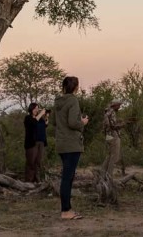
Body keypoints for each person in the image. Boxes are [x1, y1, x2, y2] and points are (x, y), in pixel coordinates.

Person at [54, 76, 89, 221]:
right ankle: (66, 211)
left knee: (67, 177)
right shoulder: (73, 100)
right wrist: (83, 122)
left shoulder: (58, 102)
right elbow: (72, 123)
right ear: (76, 87)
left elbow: (60, 122)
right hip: (72, 144)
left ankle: (67, 209)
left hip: (61, 143)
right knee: (68, 178)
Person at [102, 100, 124, 175]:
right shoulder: (112, 112)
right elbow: (113, 126)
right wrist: (122, 124)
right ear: (114, 105)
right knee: (114, 156)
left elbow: (108, 125)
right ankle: (109, 175)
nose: (119, 107)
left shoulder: (107, 112)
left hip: (108, 135)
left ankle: (103, 173)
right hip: (113, 135)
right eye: (118, 105)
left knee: (110, 154)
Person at [23, 102, 44, 182]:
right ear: (31, 109)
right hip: (31, 143)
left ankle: (37, 179)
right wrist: (40, 114)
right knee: (31, 162)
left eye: (37, 108)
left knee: (38, 162)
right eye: (35, 108)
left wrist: (46, 117)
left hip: (40, 142)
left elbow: (44, 126)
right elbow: (33, 123)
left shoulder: (39, 118)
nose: (36, 110)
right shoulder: (28, 118)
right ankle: (29, 180)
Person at [35, 105, 49, 178]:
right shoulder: (33, 118)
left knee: (39, 159)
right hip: (35, 141)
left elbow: (46, 125)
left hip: (42, 141)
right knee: (35, 159)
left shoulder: (41, 120)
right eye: (39, 110)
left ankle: (39, 176)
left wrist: (46, 116)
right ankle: (35, 177)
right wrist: (41, 113)